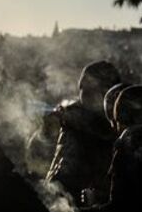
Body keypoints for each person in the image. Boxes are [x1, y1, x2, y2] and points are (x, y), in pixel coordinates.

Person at [47, 61, 121, 204]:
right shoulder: (73, 120)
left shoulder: (115, 122)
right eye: (85, 89)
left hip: (99, 204)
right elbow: (62, 170)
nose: (86, 94)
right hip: (72, 201)